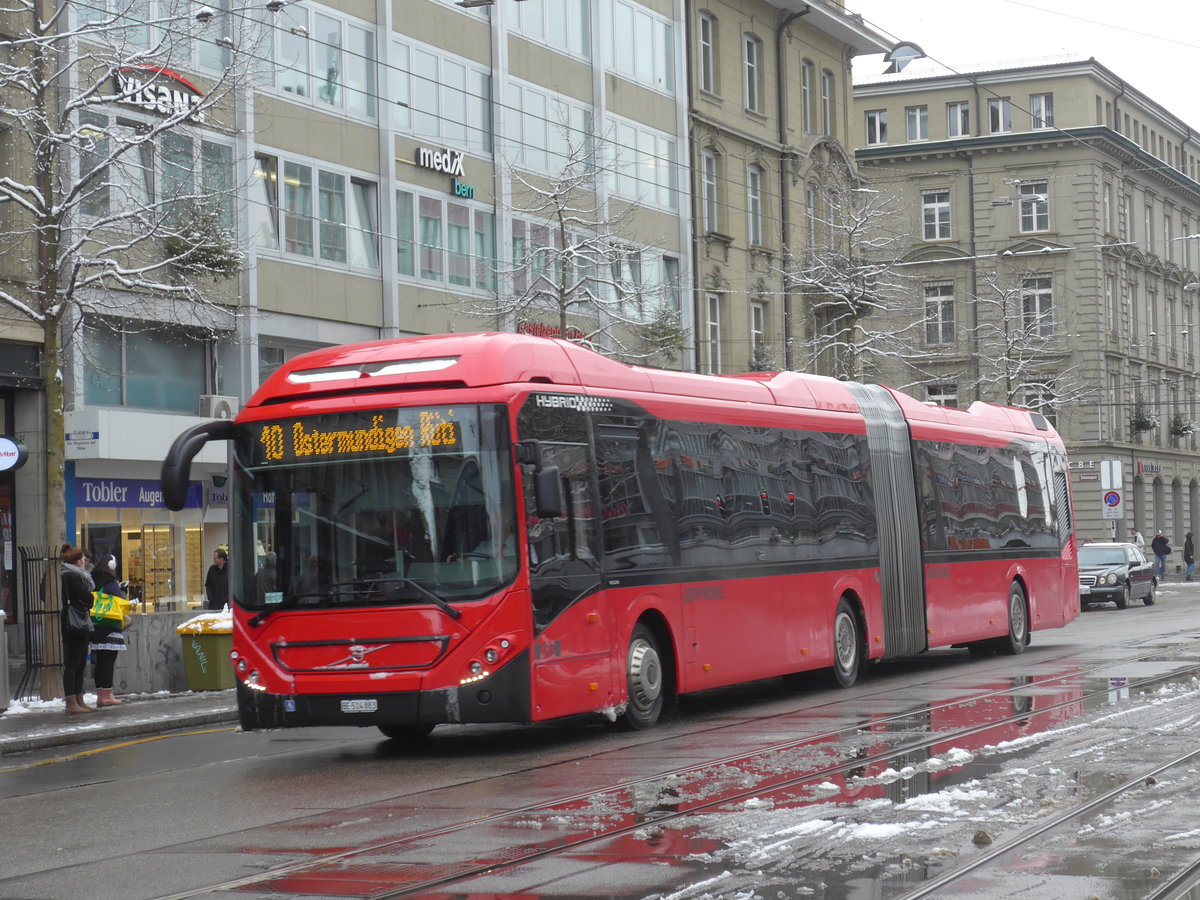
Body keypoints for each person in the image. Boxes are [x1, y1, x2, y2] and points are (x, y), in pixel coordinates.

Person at [89, 554, 131, 707]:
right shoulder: (111, 582)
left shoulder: (94, 579)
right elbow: (118, 600)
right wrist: (122, 590)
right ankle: (107, 695)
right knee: (108, 662)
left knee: (99, 662)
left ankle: (100, 695)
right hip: (111, 624)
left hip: (96, 624)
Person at [60, 545, 97, 714]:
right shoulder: (71, 576)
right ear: (76, 561)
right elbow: (87, 597)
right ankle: (71, 701)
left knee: (81, 663)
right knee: (73, 663)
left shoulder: (77, 575)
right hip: (74, 623)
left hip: (80, 621)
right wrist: (89, 600)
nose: (84, 561)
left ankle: (78, 698)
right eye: (82, 558)